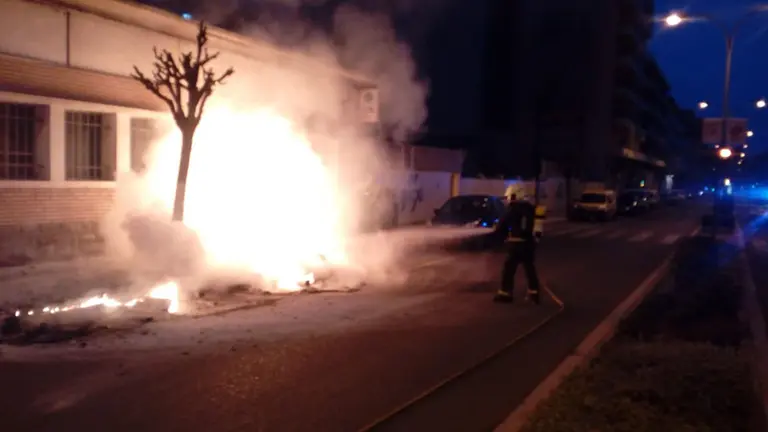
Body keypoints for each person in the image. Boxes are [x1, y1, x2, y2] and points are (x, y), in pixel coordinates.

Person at [493, 184, 543, 304]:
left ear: (513, 195)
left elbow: (502, 226)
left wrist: (497, 238)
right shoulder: (531, 209)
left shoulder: (512, 209)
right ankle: (534, 293)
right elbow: (537, 228)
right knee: (530, 268)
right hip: (529, 245)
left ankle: (506, 293)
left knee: (508, 269)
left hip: (515, 245)